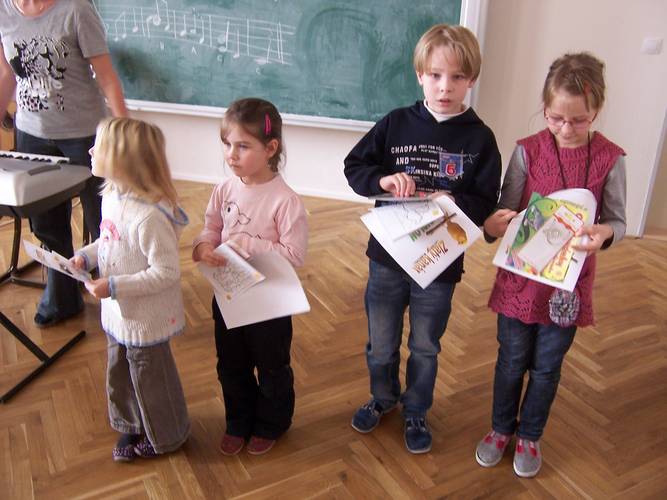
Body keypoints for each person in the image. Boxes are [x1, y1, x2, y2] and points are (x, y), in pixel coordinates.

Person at [343, 24, 501, 454]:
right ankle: (383, 397)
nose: (445, 86)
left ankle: (416, 408)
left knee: (425, 346)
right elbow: (355, 167)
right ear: (419, 75)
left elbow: (486, 200)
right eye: (435, 75)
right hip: (387, 257)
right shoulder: (395, 123)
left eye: (456, 77)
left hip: (440, 262)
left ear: (471, 80)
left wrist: (456, 202)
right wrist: (382, 179)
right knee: (380, 343)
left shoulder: (480, 138)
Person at [475, 52, 626, 478]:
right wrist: (492, 225)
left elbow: (618, 222)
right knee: (511, 360)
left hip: (568, 287)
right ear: (544, 108)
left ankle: (530, 434)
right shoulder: (527, 151)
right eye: (556, 118)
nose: (565, 128)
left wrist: (605, 233)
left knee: (546, 366)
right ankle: (500, 428)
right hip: (520, 282)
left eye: (578, 120)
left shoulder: (611, 159)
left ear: (597, 110)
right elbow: (505, 210)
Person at [0, 0, 128, 327]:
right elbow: (6, 74)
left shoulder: (76, 10)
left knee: (104, 218)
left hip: (85, 134)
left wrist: (126, 134)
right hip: (32, 135)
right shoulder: (3, 10)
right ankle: (63, 294)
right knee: (46, 223)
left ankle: (118, 296)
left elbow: (106, 77)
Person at [192, 98, 308, 456]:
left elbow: (294, 255)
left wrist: (249, 244)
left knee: (272, 367)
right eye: (227, 144)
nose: (231, 154)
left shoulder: (286, 201)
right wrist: (203, 247)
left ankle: (272, 422)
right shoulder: (225, 189)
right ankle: (238, 421)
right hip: (229, 295)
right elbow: (210, 228)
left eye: (243, 146)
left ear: (270, 149)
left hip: (270, 303)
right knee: (231, 364)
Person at [72, 117, 190, 462]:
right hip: (117, 313)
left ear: (123, 159)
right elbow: (109, 240)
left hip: (145, 319)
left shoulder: (150, 217)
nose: (90, 151)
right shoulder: (110, 196)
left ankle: (168, 434)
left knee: (152, 379)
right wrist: (85, 256)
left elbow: (166, 272)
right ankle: (131, 423)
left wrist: (114, 286)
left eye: (98, 146)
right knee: (119, 371)